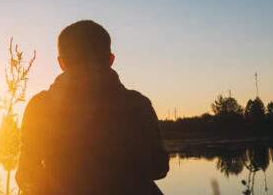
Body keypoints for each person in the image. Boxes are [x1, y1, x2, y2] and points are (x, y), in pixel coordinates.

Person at [15, 20, 169, 195]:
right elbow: (159, 168)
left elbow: (26, 175)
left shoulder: (41, 105)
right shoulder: (140, 104)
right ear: (111, 60)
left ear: (61, 63)